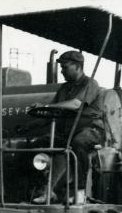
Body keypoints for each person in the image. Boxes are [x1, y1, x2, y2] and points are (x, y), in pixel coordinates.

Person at [32, 50, 105, 204]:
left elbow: (75, 104)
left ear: (77, 67)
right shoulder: (64, 88)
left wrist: (45, 105)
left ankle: (80, 192)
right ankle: (47, 190)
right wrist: (32, 121)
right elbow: (53, 110)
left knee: (78, 143)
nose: (62, 71)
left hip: (91, 130)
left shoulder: (90, 83)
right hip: (69, 132)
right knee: (36, 145)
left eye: (65, 67)